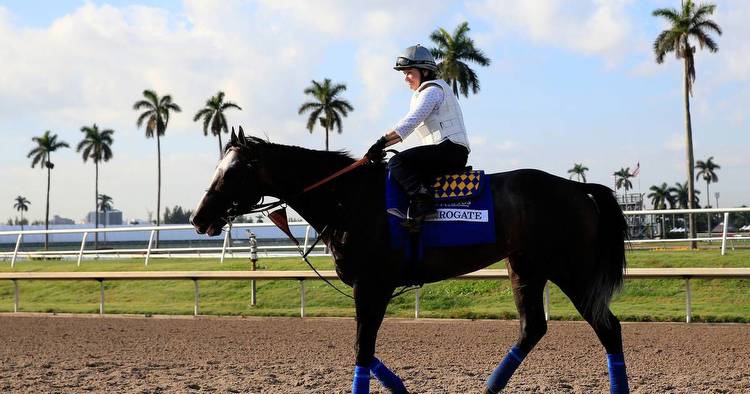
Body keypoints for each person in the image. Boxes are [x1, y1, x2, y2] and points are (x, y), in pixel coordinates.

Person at [367, 44, 471, 224]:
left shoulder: (432, 91)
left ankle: (424, 201)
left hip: (450, 149)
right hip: (447, 150)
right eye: (404, 74)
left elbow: (410, 122)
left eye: (409, 73)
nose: (406, 78)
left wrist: (381, 143)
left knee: (397, 162)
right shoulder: (426, 92)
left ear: (424, 71)